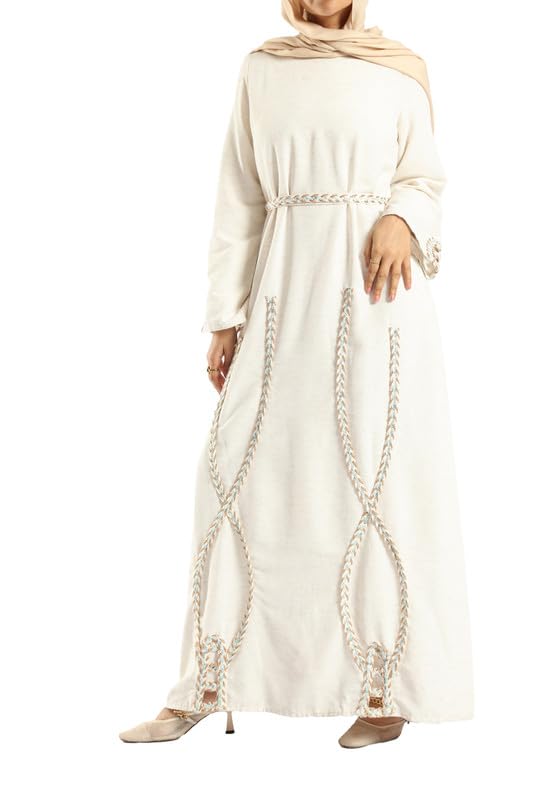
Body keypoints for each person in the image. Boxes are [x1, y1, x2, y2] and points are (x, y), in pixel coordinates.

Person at [119, 0, 473, 749]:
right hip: (282, 292)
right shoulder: (263, 70)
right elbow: (240, 196)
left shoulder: (399, 70)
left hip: (375, 303)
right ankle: (210, 680)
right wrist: (225, 316)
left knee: (373, 485)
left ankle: (384, 692)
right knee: (232, 476)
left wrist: (401, 217)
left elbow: (424, 177)